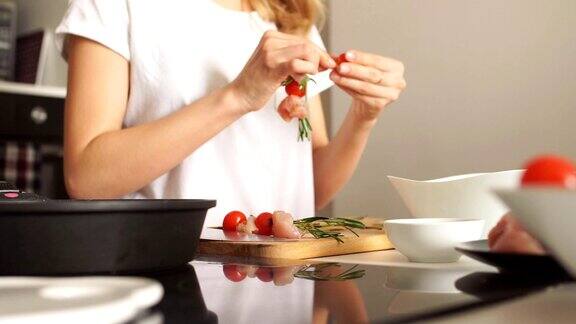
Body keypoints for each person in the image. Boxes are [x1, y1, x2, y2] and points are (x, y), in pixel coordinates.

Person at [55, 0, 406, 227]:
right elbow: (86, 177)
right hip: (169, 279)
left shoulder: (292, 17)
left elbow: (308, 187)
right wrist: (238, 96)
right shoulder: (113, 5)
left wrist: (363, 116)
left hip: (283, 294)